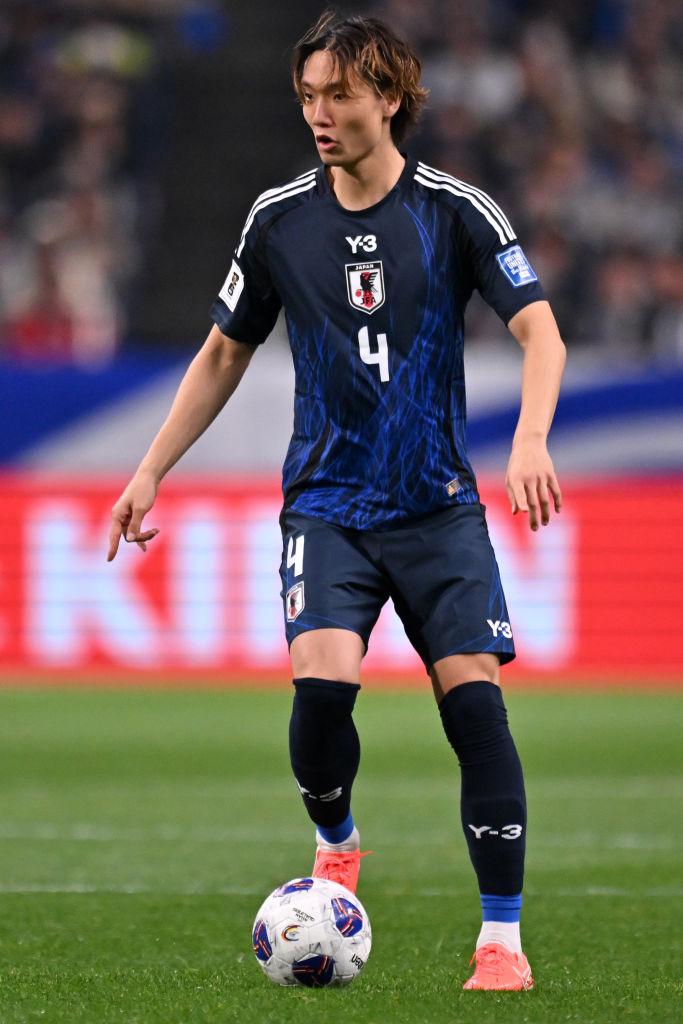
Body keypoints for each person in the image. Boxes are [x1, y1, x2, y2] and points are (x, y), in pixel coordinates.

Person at [107, 11, 565, 992]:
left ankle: (500, 940)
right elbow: (223, 351)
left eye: (339, 95)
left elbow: (541, 331)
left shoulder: (455, 210)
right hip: (327, 506)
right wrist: (150, 469)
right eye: (307, 95)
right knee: (318, 702)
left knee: (474, 712)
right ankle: (337, 838)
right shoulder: (279, 219)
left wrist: (529, 437)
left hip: (437, 507)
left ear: (388, 98)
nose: (318, 113)